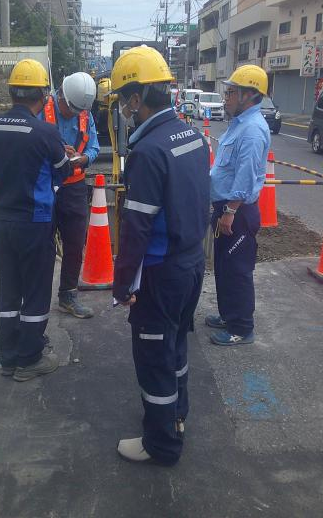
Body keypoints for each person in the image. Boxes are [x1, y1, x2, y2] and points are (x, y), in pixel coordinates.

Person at [111, 46, 210, 465]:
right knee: (176, 345)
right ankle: (177, 414)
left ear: (137, 98)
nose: (123, 110)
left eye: (123, 100)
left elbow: (137, 228)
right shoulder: (192, 136)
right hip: (191, 264)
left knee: (154, 357)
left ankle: (162, 444)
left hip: (160, 272)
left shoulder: (148, 152)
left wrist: (122, 284)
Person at [0, 59, 72, 382]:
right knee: (35, 290)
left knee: (8, 289)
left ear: (11, 92)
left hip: (0, 221)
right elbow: (64, 169)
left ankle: (8, 357)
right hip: (34, 222)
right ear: (44, 96)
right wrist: (66, 156)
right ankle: (30, 359)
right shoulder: (45, 132)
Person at [206, 64, 271, 346]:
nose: (226, 98)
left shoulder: (253, 130)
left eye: (231, 92)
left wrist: (230, 211)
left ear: (249, 95)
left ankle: (241, 328)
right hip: (226, 209)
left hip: (238, 212)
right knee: (224, 266)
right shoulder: (240, 125)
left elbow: (246, 174)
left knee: (237, 270)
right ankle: (228, 315)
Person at [40, 72, 100, 318]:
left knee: (75, 243)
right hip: (46, 186)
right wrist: (54, 152)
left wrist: (84, 158)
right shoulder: (42, 110)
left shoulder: (84, 113)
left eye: (78, 111)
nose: (74, 114)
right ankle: (38, 297)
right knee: (42, 244)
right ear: (61, 96)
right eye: (70, 109)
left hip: (74, 187)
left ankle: (67, 295)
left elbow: (94, 146)